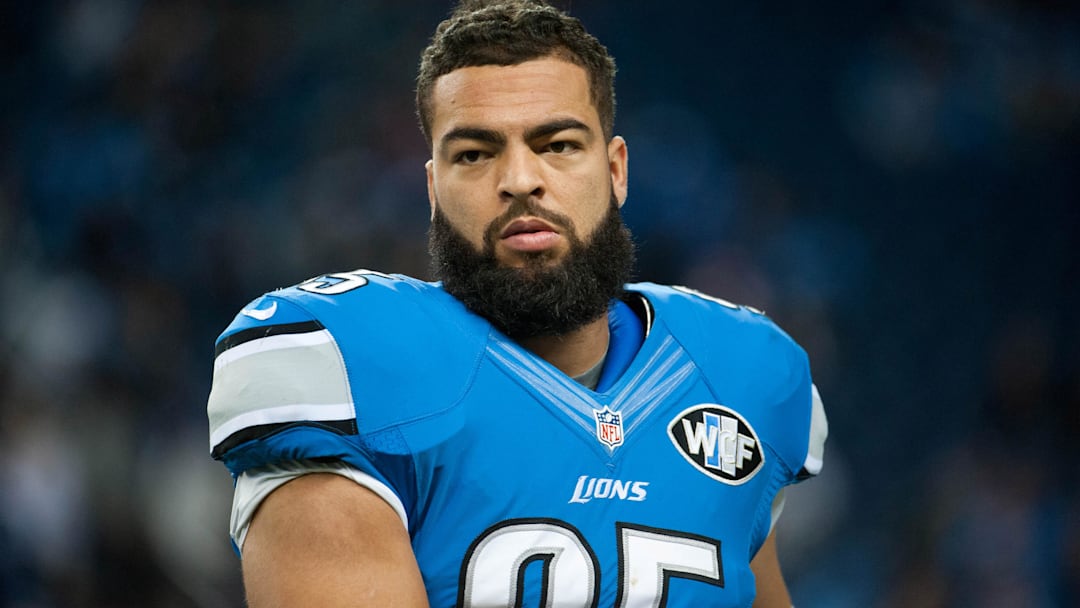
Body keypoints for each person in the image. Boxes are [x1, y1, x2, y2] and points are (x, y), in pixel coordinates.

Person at [206, 1, 828, 606]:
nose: (520, 179)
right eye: (474, 154)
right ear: (432, 187)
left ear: (615, 171)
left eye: (557, 144)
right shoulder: (343, 362)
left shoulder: (742, 375)